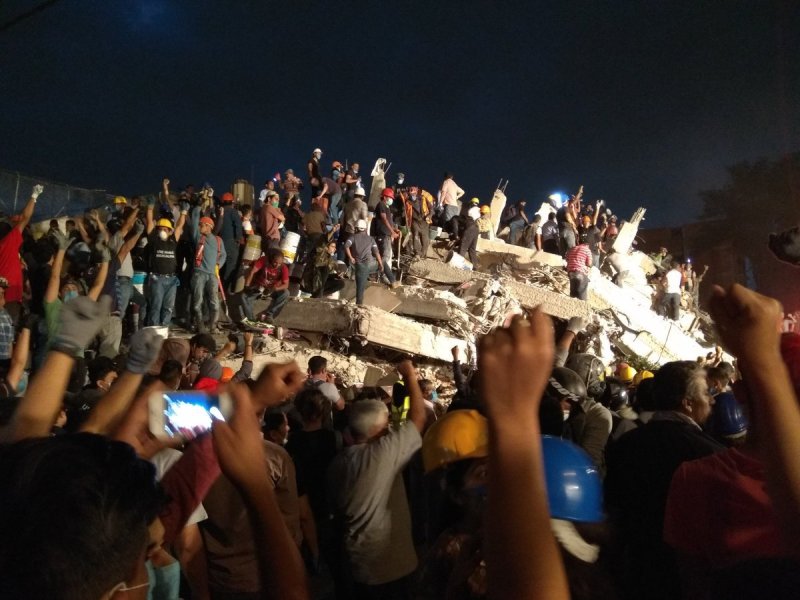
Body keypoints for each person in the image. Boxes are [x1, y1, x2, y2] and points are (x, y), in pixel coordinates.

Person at [605, 360, 724, 600]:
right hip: (679, 578)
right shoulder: (711, 456)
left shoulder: (628, 442)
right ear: (687, 403)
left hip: (629, 569)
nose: (712, 400)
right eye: (706, 393)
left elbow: (612, 506)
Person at [327, 360, 427, 599]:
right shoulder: (382, 454)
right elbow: (418, 420)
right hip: (392, 566)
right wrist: (410, 376)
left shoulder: (338, 463)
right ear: (379, 431)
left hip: (359, 564)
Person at [0, 184, 40, 321]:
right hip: (10, 299)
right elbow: (25, 217)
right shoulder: (8, 242)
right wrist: (34, 196)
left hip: (9, 297)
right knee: (9, 328)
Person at [145, 197, 187, 326]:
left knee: (168, 308)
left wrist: (183, 213)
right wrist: (150, 208)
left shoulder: (173, 240)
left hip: (172, 279)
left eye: (165, 229)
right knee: (156, 306)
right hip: (157, 278)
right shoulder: (154, 240)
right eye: (160, 229)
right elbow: (149, 223)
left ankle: (164, 330)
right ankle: (154, 329)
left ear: (170, 231)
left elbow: (179, 226)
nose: (162, 231)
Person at [190, 207, 226, 333]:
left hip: (212, 275)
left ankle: (212, 326)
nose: (199, 227)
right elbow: (194, 223)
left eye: (201, 225)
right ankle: (200, 326)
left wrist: (218, 265)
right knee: (197, 303)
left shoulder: (218, 240)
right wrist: (197, 208)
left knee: (214, 303)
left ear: (208, 226)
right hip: (199, 273)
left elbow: (223, 255)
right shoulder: (199, 238)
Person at [241, 247, 289, 325]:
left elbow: (286, 285)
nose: (277, 265)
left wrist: (276, 288)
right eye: (275, 262)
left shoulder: (283, 268)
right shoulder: (264, 260)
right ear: (271, 259)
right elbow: (252, 272)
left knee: (286, 293)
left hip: (272, 289)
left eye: (280, 263)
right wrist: (247, 286)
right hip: (259, 287)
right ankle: (251, 320)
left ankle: (270, 315)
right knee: (244, 297)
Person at [345, 218, 385, 305]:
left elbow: (346, 246)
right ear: (366, 229)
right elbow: (377, 253)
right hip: (371, 265)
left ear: (356, 228)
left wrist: (351, 257)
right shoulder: (371, 239)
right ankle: (392, 281)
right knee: (384, 263)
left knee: (360, 289)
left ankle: (359, 306)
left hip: (360, 267)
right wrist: (381, 264)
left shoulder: (352, 237)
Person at [304, 355, 345, 429]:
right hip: (323, 429)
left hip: (304, 427)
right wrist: (333, 385)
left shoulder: (300, 386)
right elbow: (341, 406)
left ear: (309, 370)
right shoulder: (328, 387)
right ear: (323, 370)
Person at [216, 191, 244, 292]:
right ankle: (225, 289)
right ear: (232, 202)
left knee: (221, 264)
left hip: (220, 241)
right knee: (231, 265)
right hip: (231, 242)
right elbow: (238, 225)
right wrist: (238, 239)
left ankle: (218, 286)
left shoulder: (220, 212)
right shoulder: (233, 211)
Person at [373, 188, 400, 287]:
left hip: (386, 235)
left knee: (385, 257)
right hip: (384, 235)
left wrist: (394, 229)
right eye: (389, 197)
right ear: (384, 197)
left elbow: (388, 221)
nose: (391, 199)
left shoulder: (387, 207)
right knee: (385, 258)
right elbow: (384, 219)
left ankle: (384, 277)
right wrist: (392, 232)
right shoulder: (381, 205)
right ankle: (389, 279)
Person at [565, 233, 593, 300]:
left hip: (571, 273)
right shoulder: (587, 250)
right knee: (582, 295)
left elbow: (567, 259)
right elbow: (589, 264)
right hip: (580, 273)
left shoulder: (572, 249)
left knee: (573, 293)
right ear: (587, 244)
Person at [438, 172, 465, 239]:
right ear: (452, 177)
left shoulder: (446, 182)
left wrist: (440, 203)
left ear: (445, 177)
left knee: (448, 222)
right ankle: (455, 236)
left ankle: (450, 237)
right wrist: (457, 197)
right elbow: (462, 192)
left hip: (449, 205)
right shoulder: (454, 184)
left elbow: (443, 192)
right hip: (455, 206)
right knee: (454, 222)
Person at [408, 185, 432, 257]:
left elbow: (431, 209)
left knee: (425, 240)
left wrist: (429, 215)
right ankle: (417, 253)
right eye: (410, 190)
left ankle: (423, 254)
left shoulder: (423, 198)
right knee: (415, 236)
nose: (412, 192)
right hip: (415, 221)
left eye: (413, 190)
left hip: (424, 221)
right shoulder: (408, 201)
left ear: (417, 190)